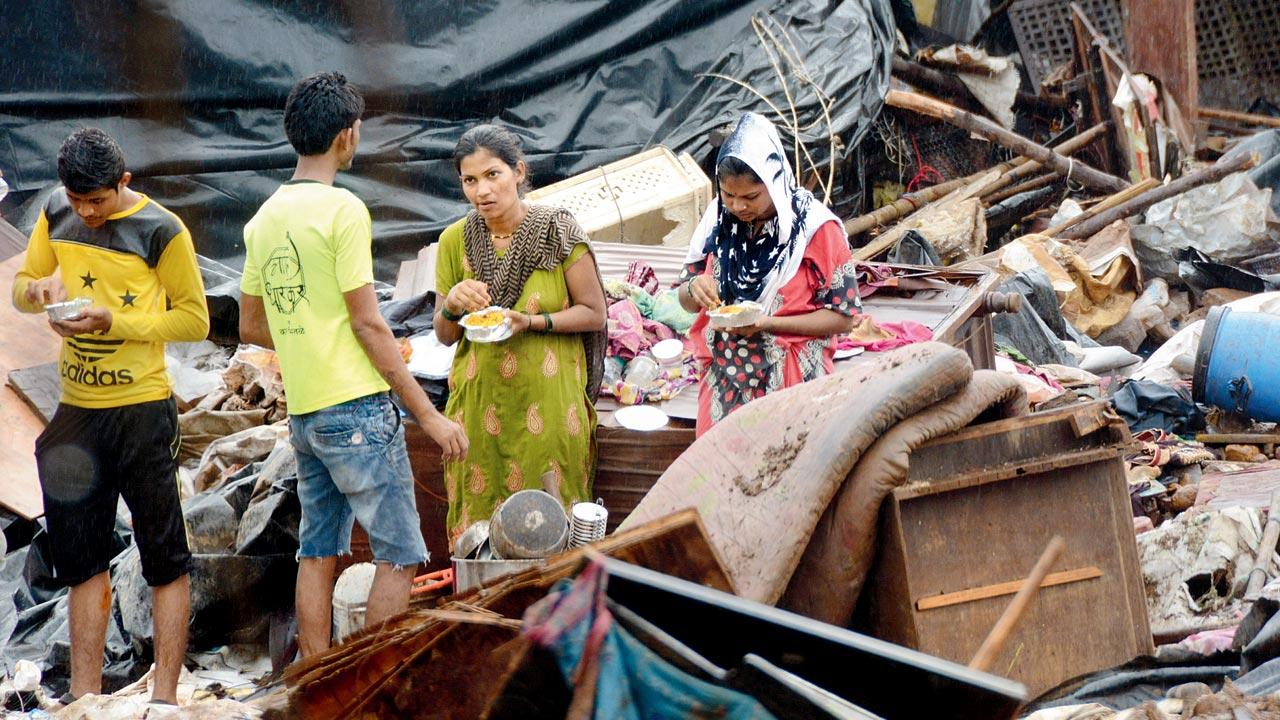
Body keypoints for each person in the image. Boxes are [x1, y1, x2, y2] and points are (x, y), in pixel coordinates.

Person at [239, 72, 467, 658]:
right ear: (348, 136)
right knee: (399, 555)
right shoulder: (344, 209)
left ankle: (315, 679)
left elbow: (251, 326)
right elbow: (368, 324)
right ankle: (364, 686)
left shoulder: (263, 219)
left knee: (317, 550)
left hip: (308, 415)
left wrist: (310, 336)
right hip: (358, 410)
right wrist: (430, 416)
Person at [13, 127, 210, 706]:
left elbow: (195, 321)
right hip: (76, 412)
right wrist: (39, 295)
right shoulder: (55, 210)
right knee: (81, 562)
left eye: (96, 201)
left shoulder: (162, 230)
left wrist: (113, 322)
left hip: (142, 411)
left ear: (123, 183)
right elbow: (22, 288)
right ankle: (85, 700)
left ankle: (166, 699)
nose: (86, 212)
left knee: (164, 557)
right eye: (76, 200)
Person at [434, 124, 607, 544]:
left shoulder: (557, 232)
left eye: (493, 175)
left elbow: (595, 313)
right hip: (478, 406)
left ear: (519, 172)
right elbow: (443, 335)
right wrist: (454, 304)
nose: (482, 191)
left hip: (547, 405)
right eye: (469, 181)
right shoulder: (455, 241)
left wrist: (533, 322)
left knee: (547, 524)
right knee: (481, 535)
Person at [677, 112, 859, 436]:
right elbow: (685, 299)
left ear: (775, 181)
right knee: (718, 473)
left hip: (792, 376)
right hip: (723, 377)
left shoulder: (815, 229)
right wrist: (694, 288)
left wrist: (768, 324)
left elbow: (844, 317)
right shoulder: (717, 222)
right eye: (728, 195)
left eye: (750, 197)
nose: (738, 206)